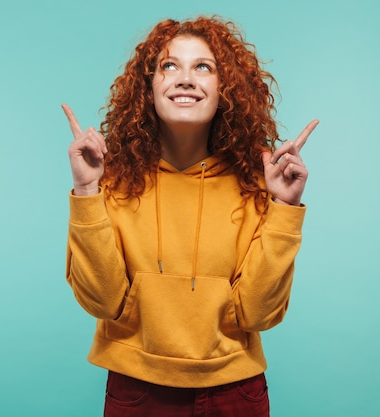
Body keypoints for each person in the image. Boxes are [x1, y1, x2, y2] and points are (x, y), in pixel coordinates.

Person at [62, 15, 318, 417]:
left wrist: (283, 208)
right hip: (137, 389)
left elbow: (259, 313)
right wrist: (87, 191)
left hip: (235, 392)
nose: (185, 78)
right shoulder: (111, 180)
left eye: (203, 66)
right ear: (147, 88)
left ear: (225, 89)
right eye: (169, 65)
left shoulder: (257, 185)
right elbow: (103, 302)